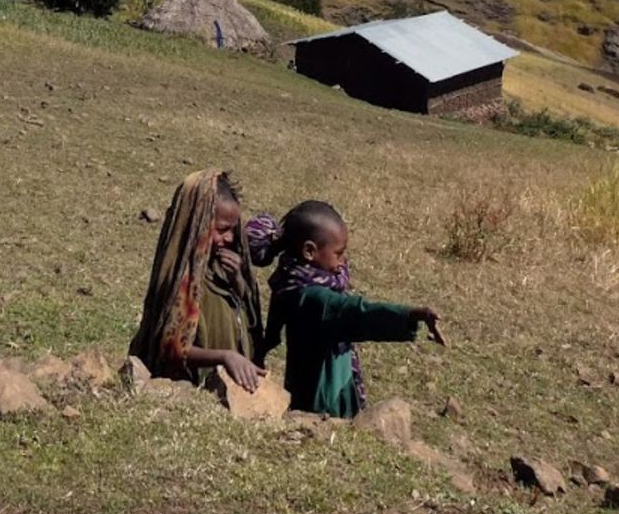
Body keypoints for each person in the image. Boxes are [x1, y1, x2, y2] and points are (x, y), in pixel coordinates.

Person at [254, 199, 443, 417]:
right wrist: (411, 315)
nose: (343, 262)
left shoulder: (291, 281)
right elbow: (358, 313)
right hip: (325, 401)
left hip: (309, 388)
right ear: (309, 251)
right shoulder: (313, 299)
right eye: (338, 253)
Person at [130, 169, 266, 391]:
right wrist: (225, 357)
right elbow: (169, 347)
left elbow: (246, 322)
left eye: (233, 230)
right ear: (199, 224)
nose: (230, 238)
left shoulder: (220, 268)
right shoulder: (179, 280)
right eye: (222, 230)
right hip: (191, 389)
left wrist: (239, 283)